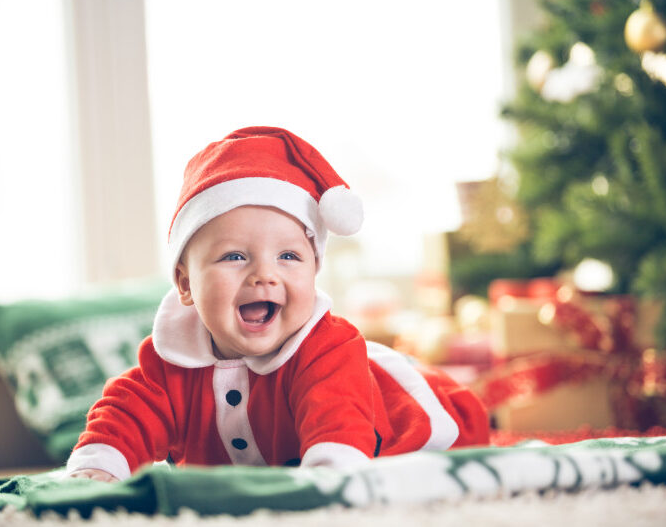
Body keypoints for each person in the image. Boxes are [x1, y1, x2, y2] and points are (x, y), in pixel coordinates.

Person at [66, 126, 489, 482]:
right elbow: (127, 415)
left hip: (416, 431)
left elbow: (338, 434)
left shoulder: (329, 352)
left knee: (451, 421)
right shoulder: (169, 365)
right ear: (186, 284)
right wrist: (98, 469)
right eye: (235, 256)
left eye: (289, 257)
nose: (264, 275)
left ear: (314, 270)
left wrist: (328, 481)